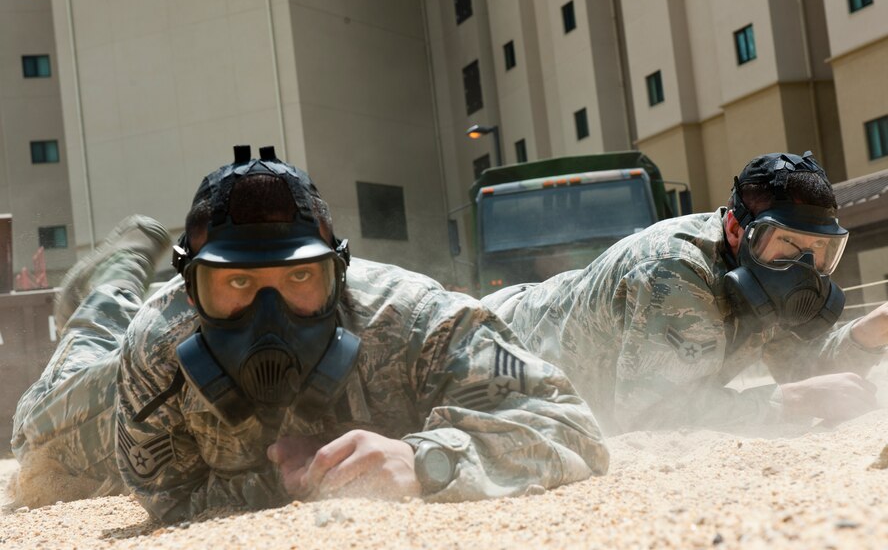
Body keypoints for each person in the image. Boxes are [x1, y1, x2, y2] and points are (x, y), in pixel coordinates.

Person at [10, 145, 608, 522]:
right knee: (39, 430)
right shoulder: (159, 348)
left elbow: (571, 426)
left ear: (339, 274)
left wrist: (423, 460)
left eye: (300, 276)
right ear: (192, 291)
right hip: (114, 375)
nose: (270, 313)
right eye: (237, 283)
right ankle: (109, 283)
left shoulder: (411, 317)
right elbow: (167, 498)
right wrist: (293, 483)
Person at [483, 151, 888, 435]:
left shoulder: (763, 271)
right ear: (735, 229)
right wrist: (796, 400)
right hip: (494, 346)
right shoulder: (674, 270)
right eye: (789, 243)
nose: (805, 267)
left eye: (821, 250)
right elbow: (651, 414)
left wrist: (872, 330)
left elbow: (804, 371)